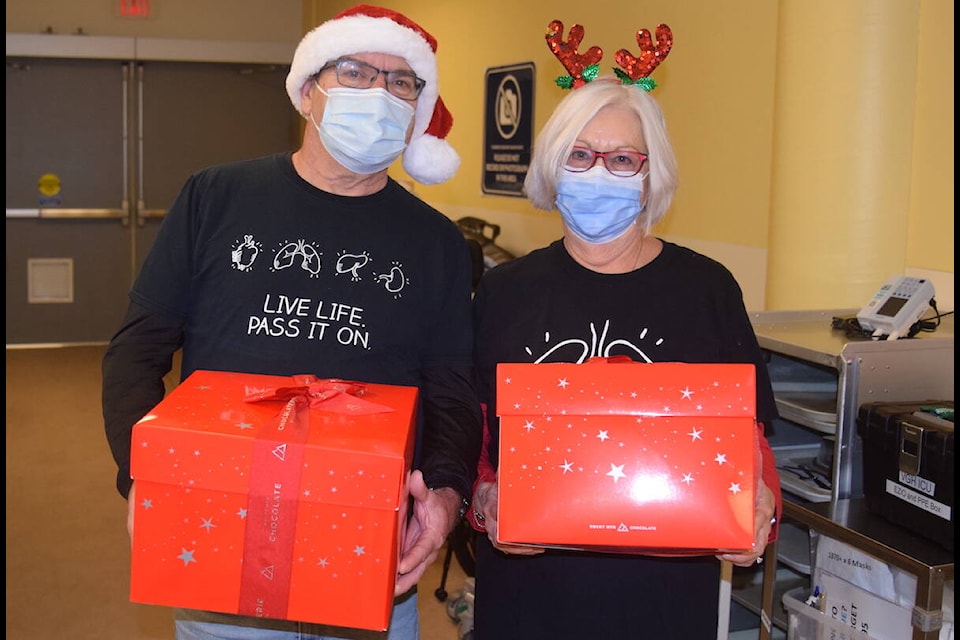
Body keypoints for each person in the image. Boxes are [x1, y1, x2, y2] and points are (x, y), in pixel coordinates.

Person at [102, 5, 481, 640]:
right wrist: (142, 474)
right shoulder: (215, 197)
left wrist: (445, 495)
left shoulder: (436, 242)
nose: (379, 94)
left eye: (401, 83)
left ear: (418, 110)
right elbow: (137, 350)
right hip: (221, 541)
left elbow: (451, 387)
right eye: (356, 72)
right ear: (308, 91)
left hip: (371, 555)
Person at [466, 21, 782, 639]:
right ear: (554, 168)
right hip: (528, 599)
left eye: (621, 158)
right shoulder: (504, 291)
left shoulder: (706, 289)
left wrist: (761, 505)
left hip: (664, 600)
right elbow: (473, 437)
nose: (598, 172)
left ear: (650, 173)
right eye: (579, 155)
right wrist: (484, 505)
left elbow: (751, 439)